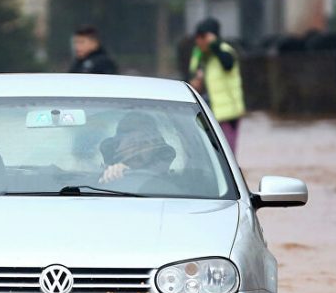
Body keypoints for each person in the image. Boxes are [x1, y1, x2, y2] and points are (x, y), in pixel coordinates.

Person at [187, 17, 245, 154]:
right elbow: (192, 75)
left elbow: (228, 64)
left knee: (227, 154)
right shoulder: (200, 54)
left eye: (202, 37)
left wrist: (214, 45)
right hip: (208, 113)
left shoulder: (224, 51)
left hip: (228, 114)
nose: (198, 41)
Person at [98, 113, 176, 184]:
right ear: (117, 146)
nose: (137, 150)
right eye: (131, 143)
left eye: (144, 143)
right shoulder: (97, 175)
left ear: (154, 150)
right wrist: (109, 175)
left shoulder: (171, 182)